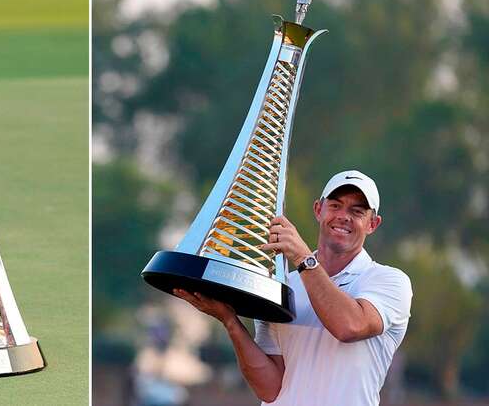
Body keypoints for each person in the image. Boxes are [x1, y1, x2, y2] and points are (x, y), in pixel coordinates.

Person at [174, 170, 413, 406]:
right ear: (319, 210)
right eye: (335, 206)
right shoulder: (282, 286)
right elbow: (270, 389)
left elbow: (349, 326)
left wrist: (303, 257)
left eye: (357, 211)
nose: (343, 216)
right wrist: (230, 321)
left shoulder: (389, 281)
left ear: (373, 223)